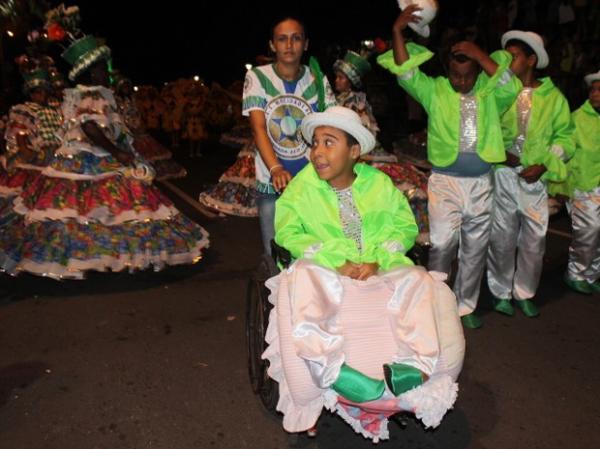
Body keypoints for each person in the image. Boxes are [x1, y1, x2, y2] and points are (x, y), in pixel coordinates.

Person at [263, 106, 464, 441]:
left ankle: (415, 367)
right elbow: (287, 233)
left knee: (419, 280)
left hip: (377, 267)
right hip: (329, 267)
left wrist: (379, 260)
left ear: (354, 151)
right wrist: (335, 261)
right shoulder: (301, 187)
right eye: (315, 143)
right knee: (304, 279)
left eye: (329, 143)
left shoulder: (380, 184)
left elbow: (404, 226)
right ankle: (335, 371)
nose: (317, 152)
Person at [0, 10, 209, 278]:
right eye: (100, 68)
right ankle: (101, 252)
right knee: (110, 202)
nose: (105, 72)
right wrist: (117, 151)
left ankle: (97, 252)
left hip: (79, 155)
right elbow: (89, 126)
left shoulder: (81, 94)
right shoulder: (94, 93)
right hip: (90, 156)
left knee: (88, 207)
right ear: (90, 71)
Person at [377, 4, 521, 328]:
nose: (461, 80)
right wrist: (398, 31)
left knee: (474, 248)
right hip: (445, 182)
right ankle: (436, 303)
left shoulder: (489, 93)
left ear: (479, 72)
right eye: (455, 74)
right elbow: (405, 72)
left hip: (481, 184)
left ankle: (464, 307)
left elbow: (510, 85)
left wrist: (478, 52)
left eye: (468, 74)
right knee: (442, 244)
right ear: (447, 71)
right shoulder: (435, 91)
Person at [487, 31, 574, 317]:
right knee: (502, 237)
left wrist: (545, 164)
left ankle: (524, 291)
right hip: (504, 175)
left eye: (514, 56)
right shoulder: (500, 92)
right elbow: (488, 127)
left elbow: (566, 138)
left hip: (535, 180)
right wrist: (501, 153)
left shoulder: (553, 98)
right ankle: (500, 291)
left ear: (531, 59)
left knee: (534, 240)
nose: (508, 61)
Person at [242, 15, 336, 254]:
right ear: (272, 45)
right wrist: (275, 168)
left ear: (305, 44)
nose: (289, 44)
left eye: (296, 38)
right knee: (276, 254)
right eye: (282, 39)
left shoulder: (317, 79)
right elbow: (259, 127)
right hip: (272, 181)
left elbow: (329, 126)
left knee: (315, 252)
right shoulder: (258, 77)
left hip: (312, 182)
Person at [333, 49, 430, 241]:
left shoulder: (356, 102)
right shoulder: (338, 100)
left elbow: (363, 133)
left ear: (350, 81)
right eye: (336, 77)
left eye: (341, 78)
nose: (337, 81)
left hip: (360, 153)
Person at [553, 70, 600, 294]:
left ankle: (591, 274)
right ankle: (575, 272)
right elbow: (564, 153)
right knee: (589, 230)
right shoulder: (577, 119)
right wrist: (560, 186)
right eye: (593, 89)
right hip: (583, 185)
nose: (596, 93)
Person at [0, 55, 62, 198]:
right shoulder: (24, 109)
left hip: (55, 153)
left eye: (44, 91)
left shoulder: (55, 109)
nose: (42, 95)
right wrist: (29, 154)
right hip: (34, 153)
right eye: (38, 92)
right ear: (31, 94)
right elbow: (20, 135)